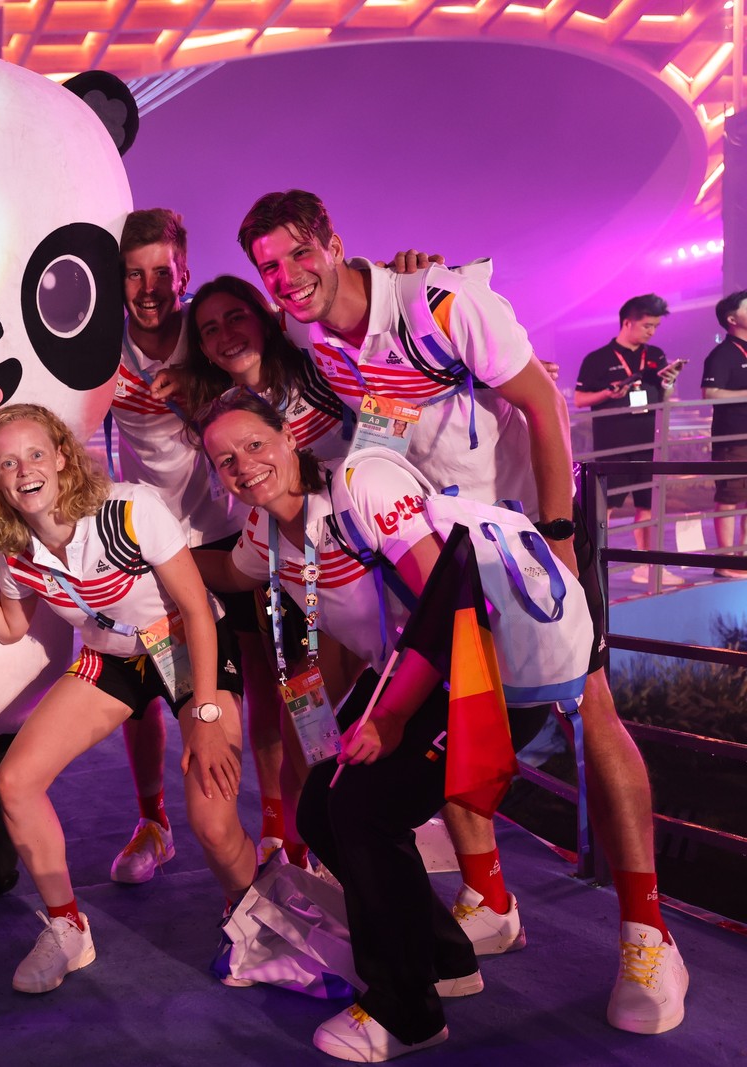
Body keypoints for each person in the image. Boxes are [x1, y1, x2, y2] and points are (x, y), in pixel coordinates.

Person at [237, 189, 688, 1037]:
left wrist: (555, 539)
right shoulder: (323, 348)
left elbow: (544, 411)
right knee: (452, 703)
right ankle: (489, 893)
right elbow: (382, 432)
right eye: (270, 267)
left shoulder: (440, 303)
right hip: (441, 550)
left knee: (588, 707)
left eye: (299, 254)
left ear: (334, 241)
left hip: (527, 534)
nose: (289, 277)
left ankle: (648, 931)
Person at [199, 390, 498, 1061]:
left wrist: (391, 716)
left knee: (360, 808)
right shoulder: (263, 533)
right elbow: (222, 568)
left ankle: (407, 1011)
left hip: (471, 666)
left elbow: (449, 602)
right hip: (408, 680)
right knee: (322, 810)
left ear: (288, 434)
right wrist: (144, 553)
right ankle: (445, 958)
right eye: (225, 459)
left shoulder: (354, 493)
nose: (244, 464)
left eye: (254, 443)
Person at [0, 403, 251, 994]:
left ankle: (254, 917)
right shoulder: (11, 551)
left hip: (187, 653)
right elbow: (13, 626)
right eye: (8, 463)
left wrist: (210, 709)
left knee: (215, 824)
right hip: (114, 663)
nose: (25, 471)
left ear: (63, 456)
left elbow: (197, 610)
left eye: (36, 454)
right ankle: (68, 928)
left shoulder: (129, 508)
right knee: (14, 781)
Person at [171, 275, 351, 868]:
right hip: (284, 560)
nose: (224, 335)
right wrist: (155, 556)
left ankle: (337, 837)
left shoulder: (313, 359)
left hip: (358, 544)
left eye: (236, 317)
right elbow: (235, 568)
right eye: (208, 329)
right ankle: (297, 835)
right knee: (294, 705)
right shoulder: (216, 414)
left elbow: (383, 375)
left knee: (333, 719)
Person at [102, 209, 240, 887]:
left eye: (163, 269)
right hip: (149, 542)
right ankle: (153, 822)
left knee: (264, 682)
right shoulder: (100, 343)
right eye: (135, 272)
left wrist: (197, 401)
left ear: (184, 267)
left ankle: (278, 828)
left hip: (227, 532)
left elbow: (267, 393)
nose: (151, 286)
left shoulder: (213, 330)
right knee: (146, 689)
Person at [573, 294, 684, 586]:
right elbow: (581, 399)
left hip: (650, 441)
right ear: (627, 322)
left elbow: (665, 399)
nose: (652, 332)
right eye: (647, 325)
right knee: (604, 508)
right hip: (614, 444)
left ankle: (645, 566)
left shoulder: (655, 356)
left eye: (656, 326)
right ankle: (589, 567)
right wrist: (607, 395)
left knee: (647, 505)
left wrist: (669, 382)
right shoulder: (598, 359)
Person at [701, 291, 747, 577]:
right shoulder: (723, 354)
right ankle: (725, 560)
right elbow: (709, 393)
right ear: (732, 319)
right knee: (729, 497)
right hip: (732, 438)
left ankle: (743, 556)